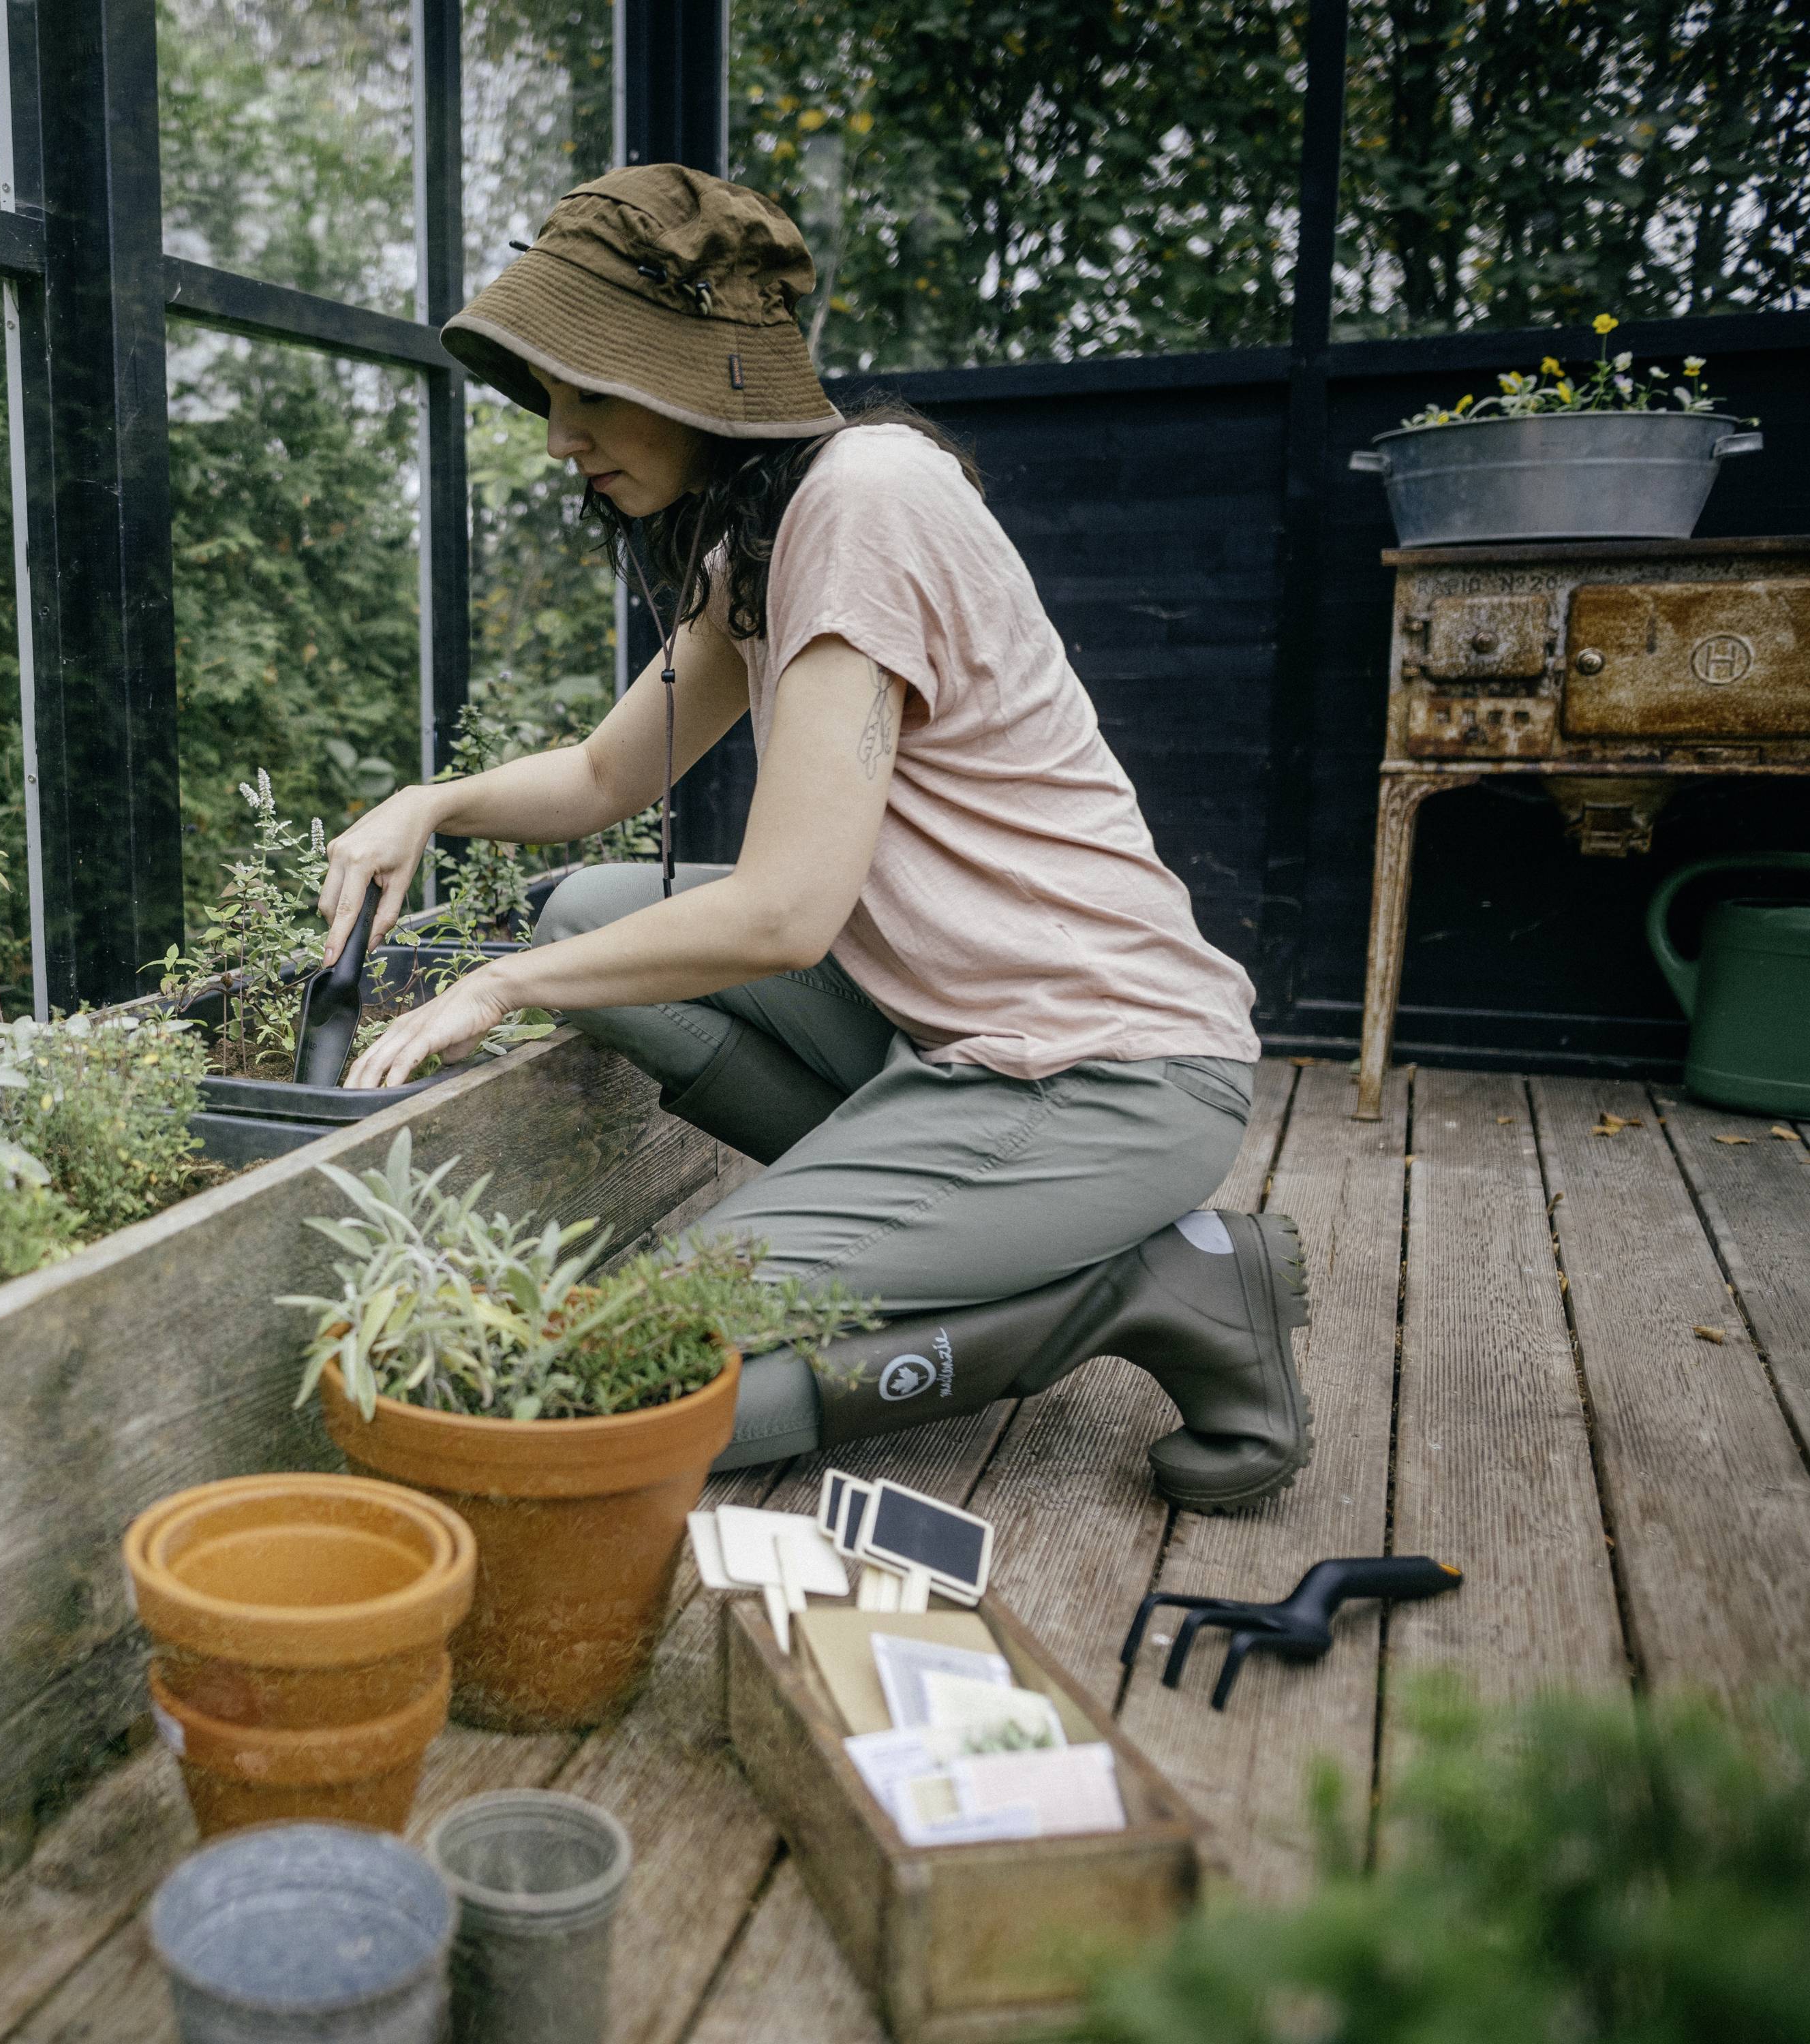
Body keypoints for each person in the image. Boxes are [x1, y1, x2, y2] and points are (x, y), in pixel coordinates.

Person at [319, 165, 1311, 1512]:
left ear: (697, 375)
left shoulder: (863, 503)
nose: (561, 436)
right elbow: (613, 773)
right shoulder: (764, 531)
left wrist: (488, 987)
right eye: (550, 397)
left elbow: (786, 914)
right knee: (583, 918)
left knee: (612, 1382)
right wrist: (427, 806)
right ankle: (948, 1218)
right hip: (952, 1042)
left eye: (590, 389)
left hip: (1099, 1075)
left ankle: (1123, 1286)